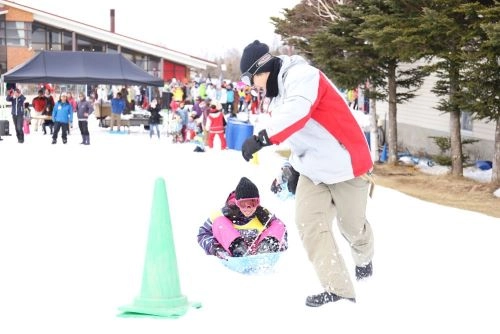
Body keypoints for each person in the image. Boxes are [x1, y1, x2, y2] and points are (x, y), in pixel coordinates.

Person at [239, 40, 375, 307]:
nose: (252, 87)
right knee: (308, 223)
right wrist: (290, 169)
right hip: (314, 171)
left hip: (347, 164)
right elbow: (299, 136)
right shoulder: (277, 98)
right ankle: (338, 289)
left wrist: (262, 138)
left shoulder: (303, 76)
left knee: (352, 227)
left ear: (262, 68)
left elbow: (297, 114)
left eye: (250, 80)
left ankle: (364, 259)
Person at [197, 177, 288, 259]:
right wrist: (216, 249)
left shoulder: (263, 214)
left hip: (258, 252)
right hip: (234, 254)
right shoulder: (224, 213)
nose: (248, 209)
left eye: (252, 203)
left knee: (278, 224)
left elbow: (282, 231)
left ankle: (266, 248)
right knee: (219, 222)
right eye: (243, 204)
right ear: (237, 202)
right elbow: (202, 234)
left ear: (258, 202)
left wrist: (280, 245)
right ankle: (238, 249)